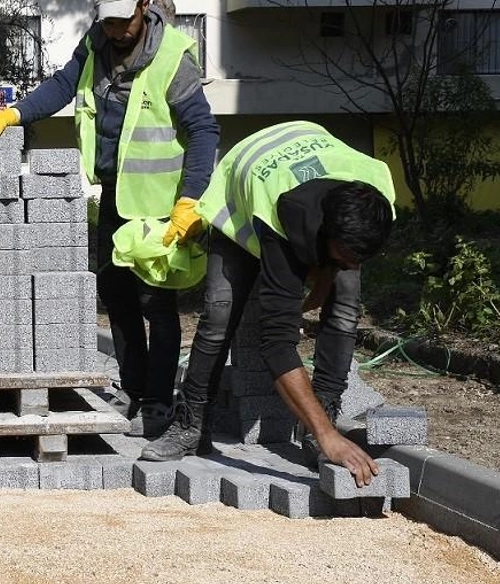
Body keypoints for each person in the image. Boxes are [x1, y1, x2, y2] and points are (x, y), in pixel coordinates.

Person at [0, 0, 220, 436]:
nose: (117, 30)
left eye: (124, 20)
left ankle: (160, 402)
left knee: (158, 307)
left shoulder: (171, 59)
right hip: (116, 201)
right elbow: (63, 85)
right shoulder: (96, 45)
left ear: (143, 8)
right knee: (117, 298)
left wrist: (191, 201)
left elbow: (204, 132)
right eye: (108, 21)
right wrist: (15, 112)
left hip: (162, 208)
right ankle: (136, 390)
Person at [140, 121, 396, 487]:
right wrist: (330, 436)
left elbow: (342, 259)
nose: (349, 265)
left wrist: (331, 273)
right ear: (323, 235)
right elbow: (276, 343)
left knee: (346, 304)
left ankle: (320, 418)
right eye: (341, 256)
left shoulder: (376, 192)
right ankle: (190, 424)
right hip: (243, 192)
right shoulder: (283, 213)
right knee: (219, 311)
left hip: (313, 161)